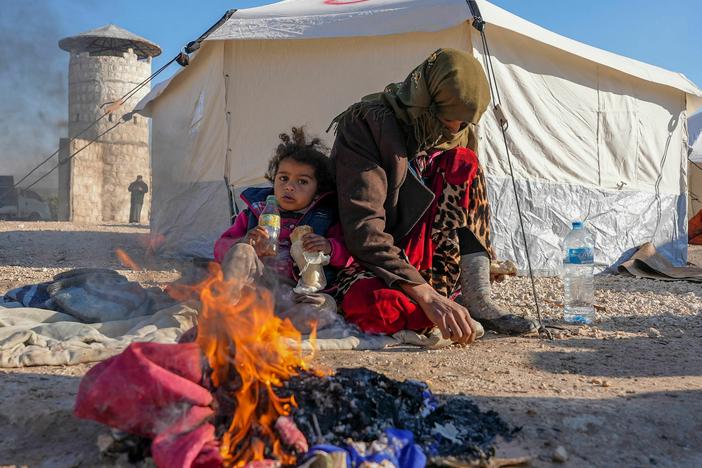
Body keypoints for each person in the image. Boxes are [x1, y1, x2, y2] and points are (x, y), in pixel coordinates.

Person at [329, 48, 538, 344]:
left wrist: (436, 292)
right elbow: (364, 231)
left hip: (431, 263)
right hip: (369, 259)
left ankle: (476, 300)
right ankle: (433, 300)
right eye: (449, 118)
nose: (455, 129)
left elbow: (465, 217)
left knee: (464, 161)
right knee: (380, 307)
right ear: (426, 100)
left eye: (465, 123)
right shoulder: (367, 125)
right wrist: (425, 294)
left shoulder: (458, 134)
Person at [214, 127, 352, 332]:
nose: (289, 186)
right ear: (274, 179)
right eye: (283, 178)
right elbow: (220, 250)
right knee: (242, 251)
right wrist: (244, 241)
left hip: (299, 294)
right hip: (257, 288)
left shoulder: (326, 217)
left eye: (302, 181)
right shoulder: (255, 212)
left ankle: (270, 327)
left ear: (318, 190)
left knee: (326, 307)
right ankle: (224, 309)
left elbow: (349, 256)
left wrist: (330, 247)